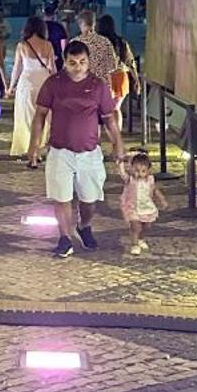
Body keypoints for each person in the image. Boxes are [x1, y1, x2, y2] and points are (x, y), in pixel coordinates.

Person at [28, 39, 126, 257]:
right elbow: (40, 115)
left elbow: (109, 118)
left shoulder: (98, 85)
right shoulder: (54, 83)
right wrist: (34, 146)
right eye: (73, 62)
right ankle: (65, 238)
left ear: (88, 62)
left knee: (89, 199)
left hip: (89, 152)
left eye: (82, 62)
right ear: (65, 62)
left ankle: (84, 225)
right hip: (60, 151)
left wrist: (118, 145)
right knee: (61, 197)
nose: (78, 67)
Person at [7, 14, 58, 157]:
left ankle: (30, 147)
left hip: (27, 82)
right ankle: (40, 146)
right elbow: (53, 69)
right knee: (44, 116)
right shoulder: (47, 45)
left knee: (27, 116)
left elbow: (16, 69)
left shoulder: (22, 45)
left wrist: (11, 87)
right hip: (44, 81)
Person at [119, 152, 167, 253]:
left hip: (146, 206)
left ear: (148, 171)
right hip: (132, 207)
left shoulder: (150, 180)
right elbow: (122, 173)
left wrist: (161, 199)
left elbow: (155, 190)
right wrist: (121, 163)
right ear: (131, 168)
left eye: (143, 171)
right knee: (135, 226)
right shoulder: (130, 179)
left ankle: (141, 239)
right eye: (136, 170)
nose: (139, 173)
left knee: (147, 226)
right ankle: (134, 244)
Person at [96, 14, 139, 116]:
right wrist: (136, 79)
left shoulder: (97, 42)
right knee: (116, 109)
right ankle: (116, 131)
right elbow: (130, 62)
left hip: (102, 78)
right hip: (120, 77)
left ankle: (99, 130)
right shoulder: (121, 42)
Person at [75, 8, 120, 92]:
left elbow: (68, 68)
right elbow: (113, 66)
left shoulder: (74, 43)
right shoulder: (105, 42)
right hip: (101, 88)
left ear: (80, 24)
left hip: (80, 88)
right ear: (94, 23)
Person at [42, 0, 67, 69]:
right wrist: (64, 56)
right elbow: (63, 42)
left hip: (43, 56)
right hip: (57, 56)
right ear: (54, 14)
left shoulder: (39, 27)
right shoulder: (59, 27)